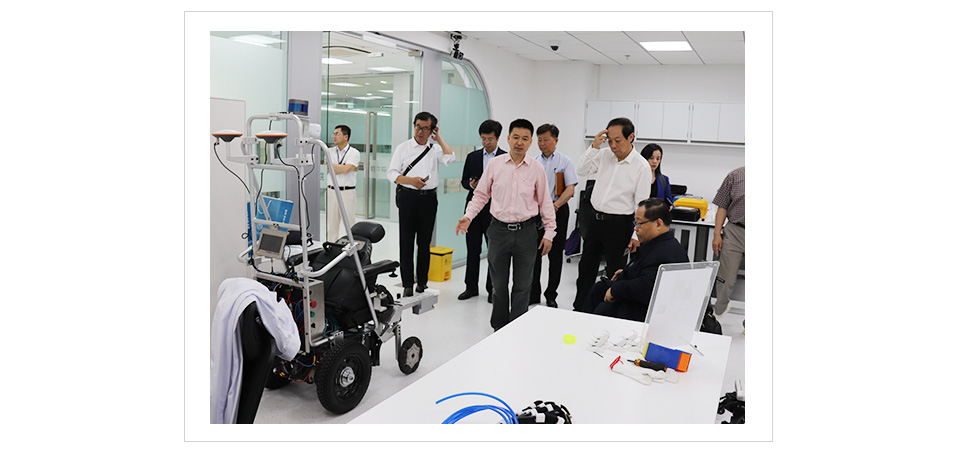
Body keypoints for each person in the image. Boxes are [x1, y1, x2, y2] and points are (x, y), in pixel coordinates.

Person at [456, 119, 557, 331]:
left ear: (530, 142)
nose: (519, 142)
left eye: (525, 139)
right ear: (508, 138)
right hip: (498, 231)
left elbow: (545, 202)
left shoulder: (536, 169)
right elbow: (481, 195)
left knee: (523, 285)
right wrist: (468, 216)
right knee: (499, 285)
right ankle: (499, 327)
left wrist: (549, 233)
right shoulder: (495, 165)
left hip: (526, 233)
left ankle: (516, 328)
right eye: (516, 137)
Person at [573, 117, 653, 312]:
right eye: (609, 140)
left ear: (631, 137)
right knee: (586, 268)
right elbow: (581, 170)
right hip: (595, 220)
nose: (613, 145)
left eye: (618, 140)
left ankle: (607, 311)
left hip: (619, 225)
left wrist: (636, 235)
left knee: (615, 272)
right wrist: (594, 147)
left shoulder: (641, 166)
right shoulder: (604, 155)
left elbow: (641, 204)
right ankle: (580, 308)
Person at [580, 198, 688, 321]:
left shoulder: (665, 253)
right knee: (599, 288)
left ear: (658, 224)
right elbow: (646, 270)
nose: (635, 229)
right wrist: (627, 272)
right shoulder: (658, 243)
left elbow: (647, 287)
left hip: (647, 309)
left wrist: (615, 290)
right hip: (642, 298)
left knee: (604, 308)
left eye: (639, 224)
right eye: (635, 223)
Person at [386, 112, 455, 298]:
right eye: (418, 126)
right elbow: (391, 174)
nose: (420, 131)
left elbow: (450, 158)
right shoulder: (403, 148)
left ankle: (422, 282)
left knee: (424, 243)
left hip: (428, 200)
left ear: (432, 130)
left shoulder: (435, 149)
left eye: (425, 128)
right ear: (414, 126)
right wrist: (411, 180)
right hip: (407, 197)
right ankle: (408, 283)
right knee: (406, 242)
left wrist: (439, 138)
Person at [458, 120, 506, 302]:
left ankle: (492, 289)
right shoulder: (473, 157)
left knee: (494, 252)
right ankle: (470, 287)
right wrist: (472, 185)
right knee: (472, 250)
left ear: (498, 138)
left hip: (494, 211)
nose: (486, 142)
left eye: (490, 139)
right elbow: (464, 181)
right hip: (474, 209)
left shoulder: (504, 158)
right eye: (483, 139)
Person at [530, 123, 578, 308]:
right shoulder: (534, 161)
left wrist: (555, 206)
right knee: (534, 255)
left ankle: (551, 294)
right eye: (539, 140)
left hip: (558, 210)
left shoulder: (565, 162)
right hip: (536, 212)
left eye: (546, 140)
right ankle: (533, 293)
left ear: (556, 140)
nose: (542, 144)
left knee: (555, 255)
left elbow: (570, 188)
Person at [712, 166, 745, 320]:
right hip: (735, 231)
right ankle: (719, 309)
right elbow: (722, 206)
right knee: (726, 277)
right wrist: (717, 234)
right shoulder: (735, 175)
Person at [326, 125, 361, 241]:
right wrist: (346, 167)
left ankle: (352, 247)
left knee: (349, 223)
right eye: (333, 134)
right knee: (332, 223)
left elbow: (346, 169)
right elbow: (329, 168)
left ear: (346, 137)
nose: (334, 136)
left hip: (347, 192)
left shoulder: (354, 153)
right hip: (331, 191)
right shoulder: (329, 151)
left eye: (337, 134)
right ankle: (330, 246)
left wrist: (341, 168)